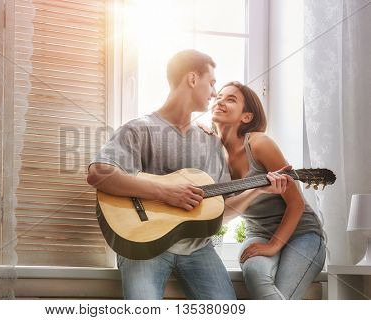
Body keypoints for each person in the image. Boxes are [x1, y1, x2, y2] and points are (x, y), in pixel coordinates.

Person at [87, 50, 290, 300]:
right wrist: (165, 192)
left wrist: (258, 189)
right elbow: (98, 172)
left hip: (199, 250)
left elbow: (220, 211)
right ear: (192, 79)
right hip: (142, 250)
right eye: (213, 83)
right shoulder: (139, 129)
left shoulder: (211, 143)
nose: (215, 93)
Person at [210, 81, 326, 299]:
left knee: (280, 294)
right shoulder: (212, 156)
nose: (220, 101)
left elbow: (296, 203)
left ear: (246, 116)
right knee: (254, 272)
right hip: (258, 233)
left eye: (230, 99)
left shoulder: (259, 144)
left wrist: (274, 245)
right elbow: (222, 215)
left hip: (302, 234)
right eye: (219, 97)